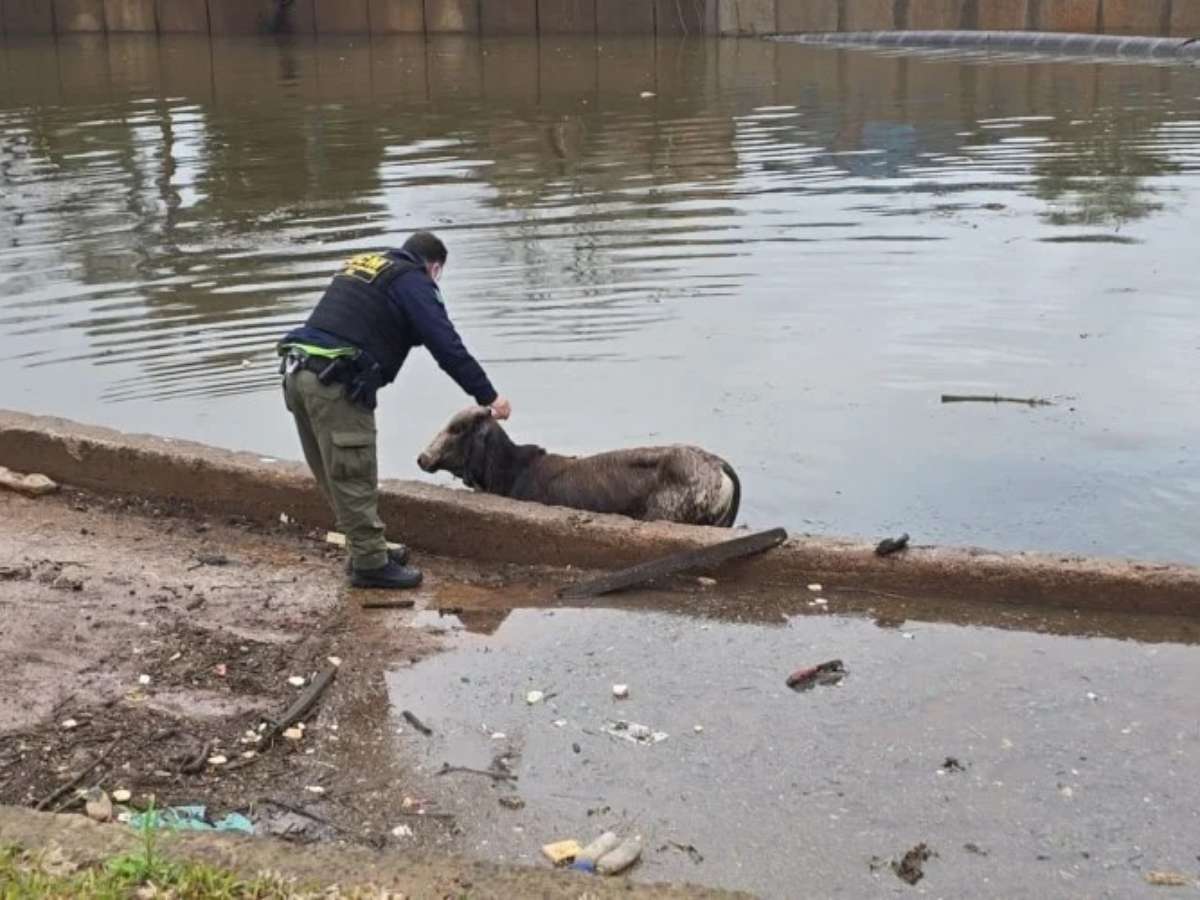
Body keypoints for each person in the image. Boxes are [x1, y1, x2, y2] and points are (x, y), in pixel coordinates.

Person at [277, 231, 511, 590]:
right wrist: (489, 396)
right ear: (435, 268)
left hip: (298, 375)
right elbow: (445, 344)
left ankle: (365, 548)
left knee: (334, 475)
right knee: (354, 474)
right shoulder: (413, 281)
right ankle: (370, 565)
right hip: (334, 382)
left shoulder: (368, 266)